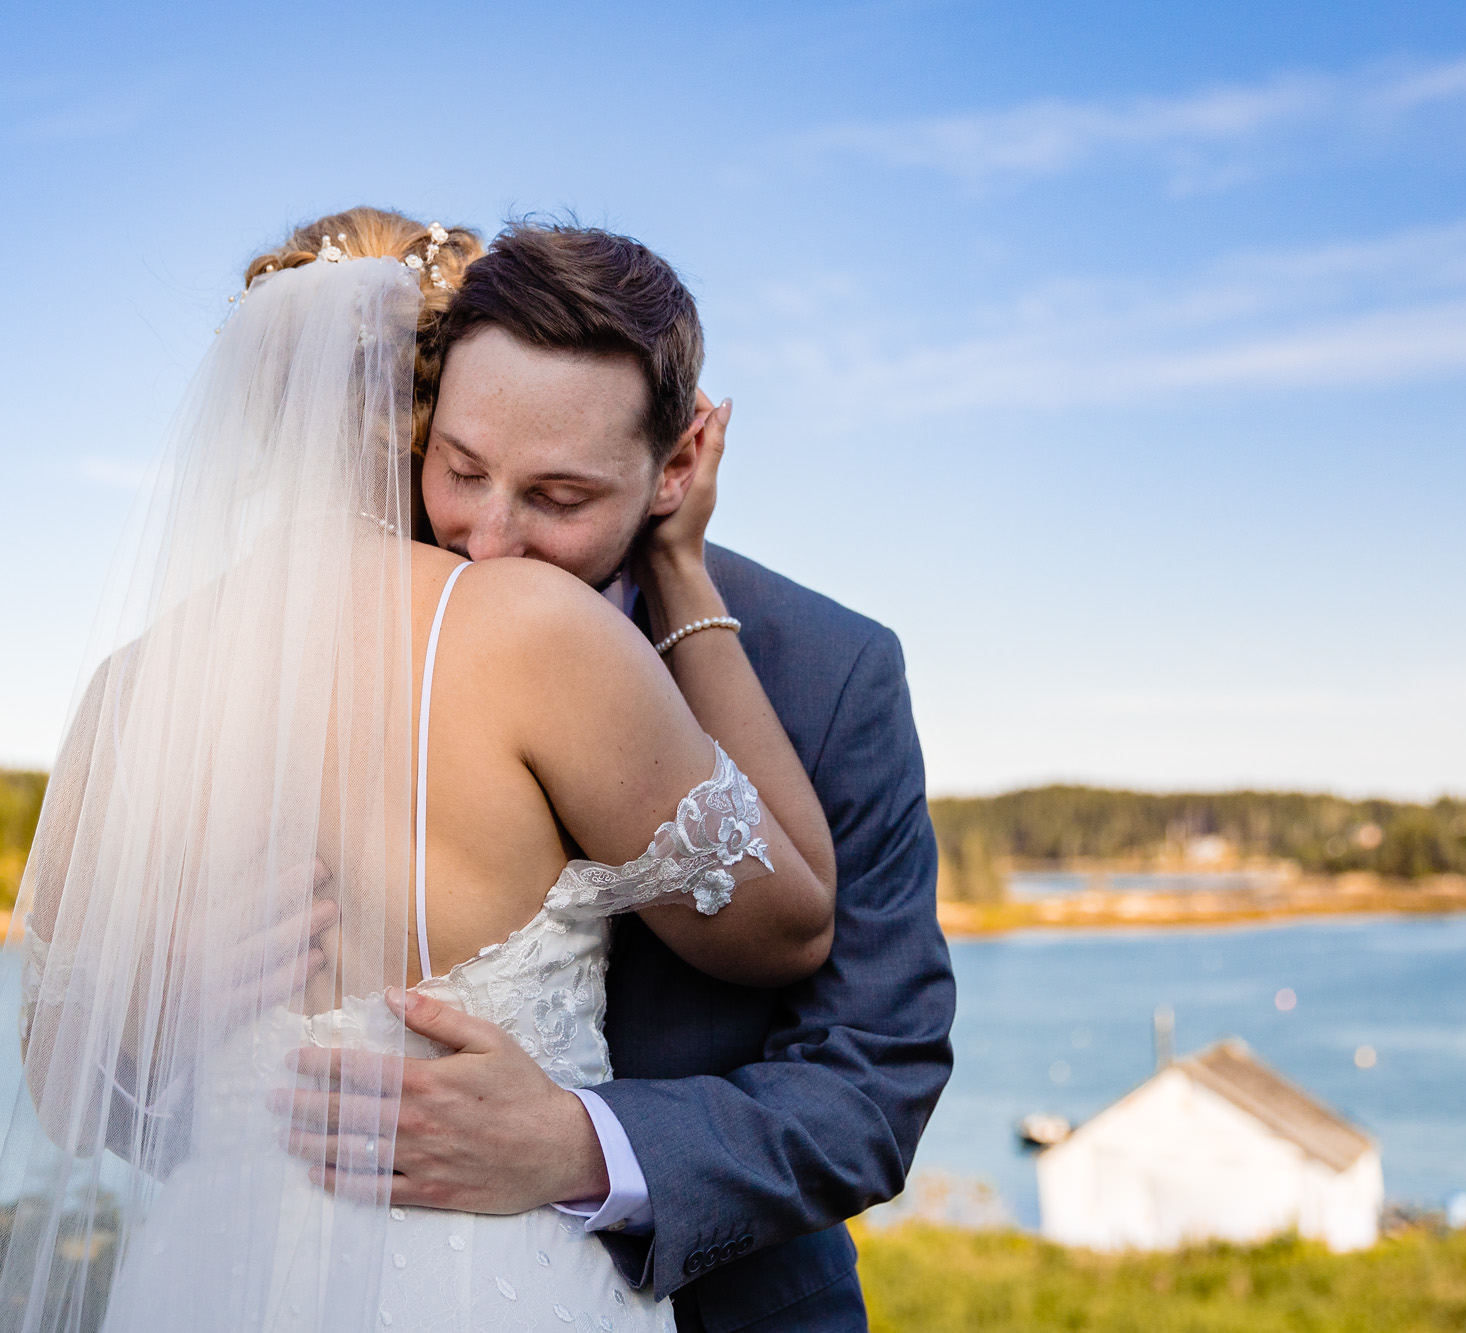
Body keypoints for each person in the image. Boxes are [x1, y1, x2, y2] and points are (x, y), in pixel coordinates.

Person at [0, 208, 859, 1333]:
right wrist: (683, 578)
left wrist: (162, 987)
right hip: (481, 1280)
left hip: (203, 1274)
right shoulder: (525, 627)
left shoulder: (131, 687)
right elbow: (786, 927)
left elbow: (57, 1084)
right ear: (433, 416)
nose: (492, 527)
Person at [281, 219, 958, 1331]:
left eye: (556, 498)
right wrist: (194, 973)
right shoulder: (335, 634)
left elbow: (875, 1078)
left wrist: (578, 1144)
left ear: (677, 464)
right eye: (459, 471)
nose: (485, 541)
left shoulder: (835, 671)